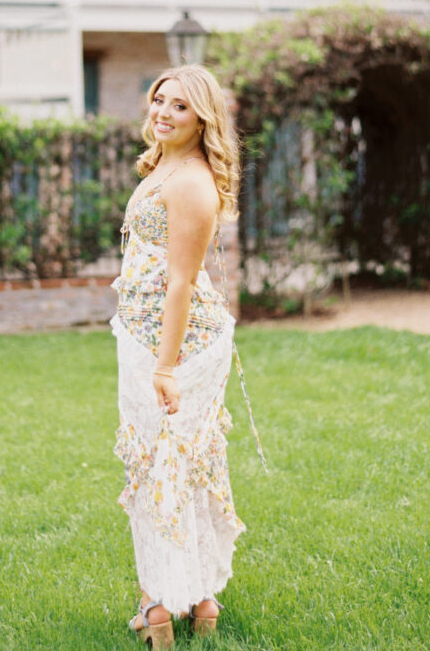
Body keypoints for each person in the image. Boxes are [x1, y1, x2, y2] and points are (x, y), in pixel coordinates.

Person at [110, 63, 244, 649]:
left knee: (162, 469)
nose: (163, 112)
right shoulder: (164, 163)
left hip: (175, 344)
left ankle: (161, 605)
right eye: (160, 100)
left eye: (180, 106)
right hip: (144, 334)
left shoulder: (190, 180)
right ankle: (198, 599)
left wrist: (165, 368)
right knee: (170, 467)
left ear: (203, 118)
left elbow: (181, 284)